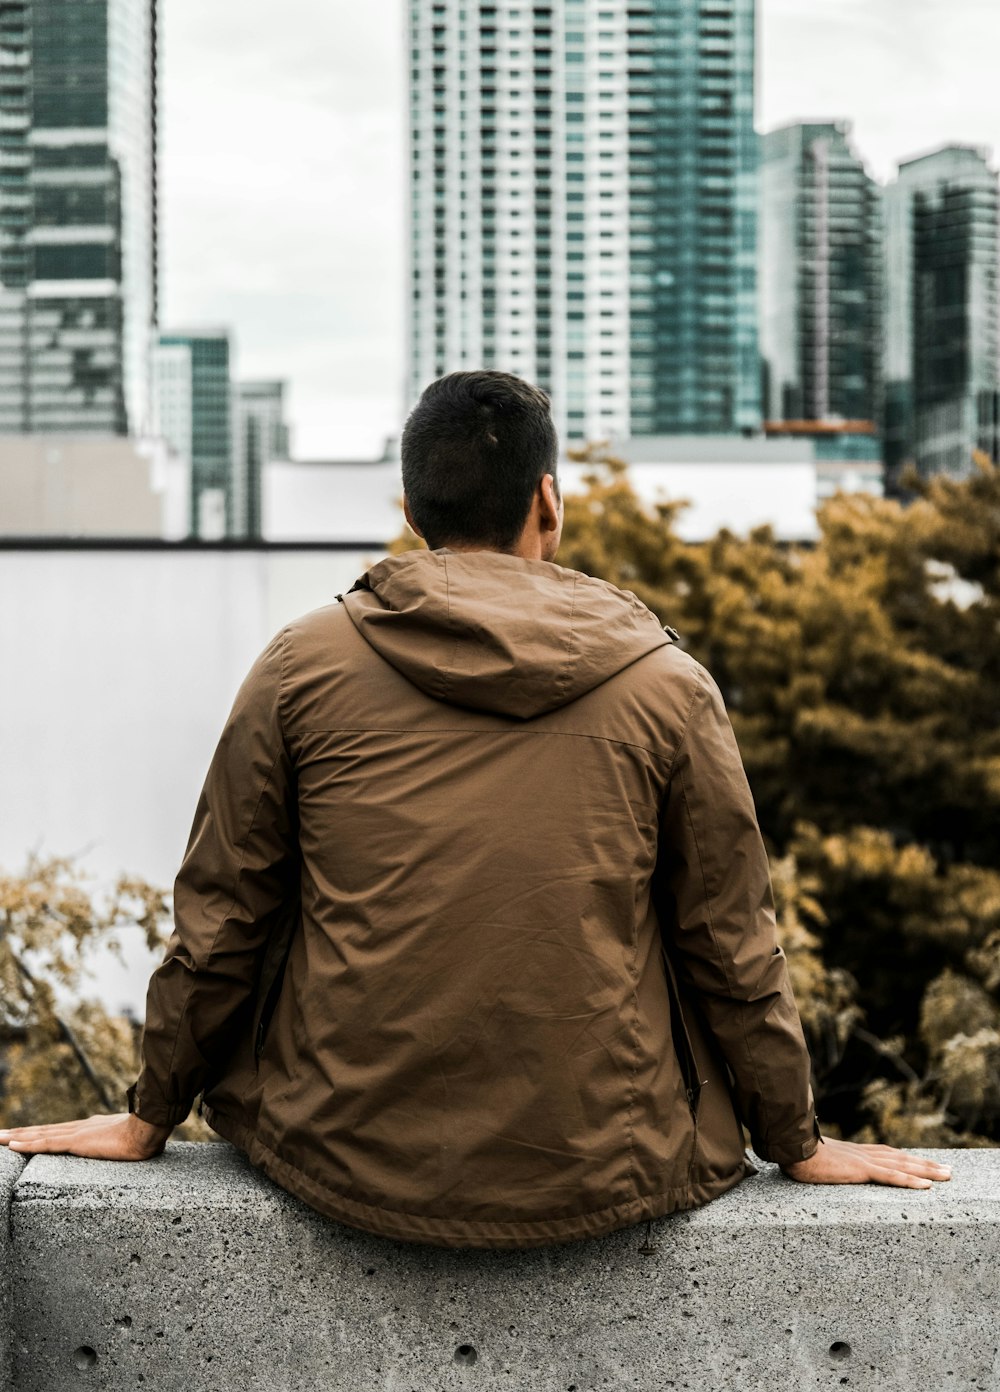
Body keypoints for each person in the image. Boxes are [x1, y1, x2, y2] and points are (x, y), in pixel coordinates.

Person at [0, 371, 949, 1245]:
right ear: (549, 501)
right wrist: (796, 1138)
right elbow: (730, 940)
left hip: (338, 1153)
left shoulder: (299, 666)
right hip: (610, 1162)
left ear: (411, 512)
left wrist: (149, 1112)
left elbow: (223, 921)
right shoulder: (669, 685)